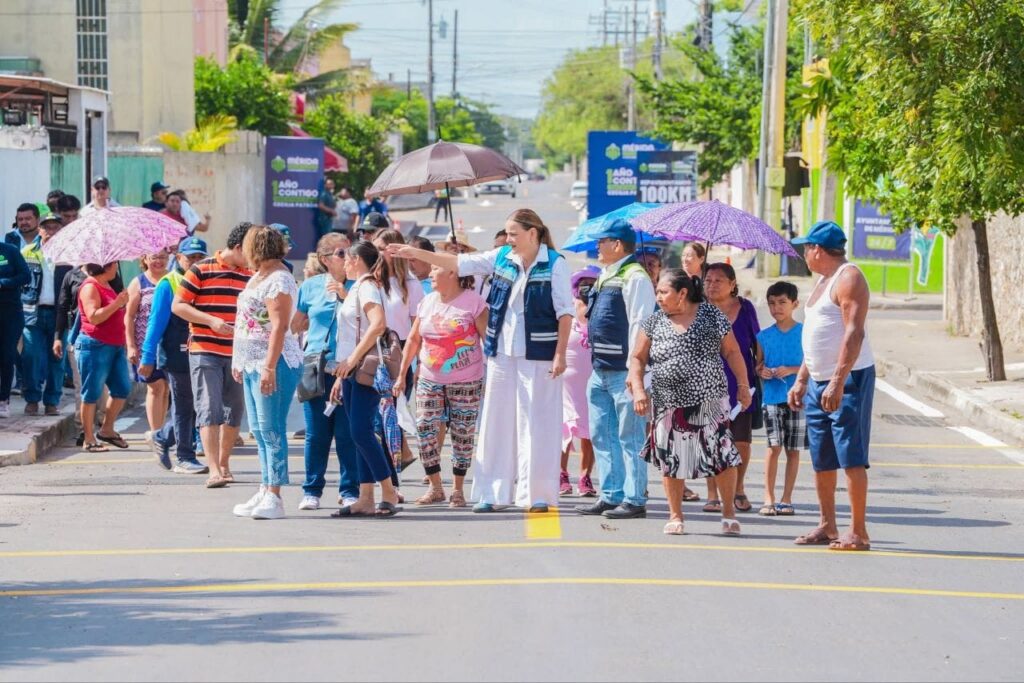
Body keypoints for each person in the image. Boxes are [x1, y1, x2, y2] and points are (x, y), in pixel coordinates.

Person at [387, 208, 574, 513]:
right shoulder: (501, 257)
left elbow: (564, 313)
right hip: (502, 352)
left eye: (513, 233)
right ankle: (493, 492)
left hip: (539, 354)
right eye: (507, 233)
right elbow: (458, 263)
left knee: (536, 423)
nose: (509, 239)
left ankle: (537, 494)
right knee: (496, 422)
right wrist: (415, 253)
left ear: (533, 233)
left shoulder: (555, 264)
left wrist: (560, 354)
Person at [628, 269, 752, 536]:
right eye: (657, 292)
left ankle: (728, 513)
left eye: (663, 292)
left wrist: (743, 385)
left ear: (682, 293)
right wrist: (638, 389)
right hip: (668, 405)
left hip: (709, 402)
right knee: (671, 459)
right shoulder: (654, 321)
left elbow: (732, 351)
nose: (658, 297)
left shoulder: (711, 315)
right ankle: (675, 515)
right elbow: (637, 358)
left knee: (721, 457)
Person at [789, 221, 875, 551]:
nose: (804, 254)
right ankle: (827, 524)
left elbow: (854, 332)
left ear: (818, 250)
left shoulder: (849, 278)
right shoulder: (822, 281)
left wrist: (838, 380)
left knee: (851, 455)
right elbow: (817, 336)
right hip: (818, 380)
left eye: (806, 248)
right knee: (822, 456)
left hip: (848, 379)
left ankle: (858, 532)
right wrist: (802, 378)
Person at [574, 220, 657, 520]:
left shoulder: (635, 277)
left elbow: (641, 326)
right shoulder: (608, 273)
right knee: (603, 435)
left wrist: (636, 375)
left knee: (630, 438)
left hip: (624, 372)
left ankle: (634, 499)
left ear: (618, 245)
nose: (597, 246)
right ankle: (611, 495)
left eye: (602, 241)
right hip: (600, 369)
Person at [393, 262, 487, 507]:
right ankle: (435, 487)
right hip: (429, 378)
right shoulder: (427, 301)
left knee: (462, 434)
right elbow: (414, 339)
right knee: (425, 428)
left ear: (453, 273)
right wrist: (402, 374)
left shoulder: (474, 302)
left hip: (466, 379)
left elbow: (487, 340)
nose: (431, 273)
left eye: (436, 269)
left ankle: (458, 489)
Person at [172, 222, 254, 488]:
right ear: (238, 247)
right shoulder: (201, 269)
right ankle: (214, 470)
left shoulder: (251, 275)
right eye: (251, 250)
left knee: (234, 410)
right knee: (209, 408)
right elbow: (178, 306)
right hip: (204, 349)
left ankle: (224, 463)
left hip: (238, 353)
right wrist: (211, 321)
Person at [230, 226, 302, 520]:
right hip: (250, 362)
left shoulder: (280, 280)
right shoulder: (258, 277)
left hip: (274, 362)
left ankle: (275, 494)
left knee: (271, 428)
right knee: (258, 430)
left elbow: (279, 326)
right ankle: (264, 486)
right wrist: (238, 359)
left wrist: (269, 366)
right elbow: (245, 322)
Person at [328, 241, 402, 518]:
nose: (343, 263)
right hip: (350, 369)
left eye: (346, 258)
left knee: (361, 431)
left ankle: (388, 490)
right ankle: (366, 497)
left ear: (356, 260)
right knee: (357, 432)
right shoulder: (357, 288)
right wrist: (344, 369)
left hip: (362, 367)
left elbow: (378, 324)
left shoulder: (367, 285)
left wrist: (352, 359)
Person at [290, 233, 360, 511]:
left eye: (350, 252)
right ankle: (312, 490)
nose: (348, 258)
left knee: (346, 433)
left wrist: (344, 296)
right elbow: (296, 324)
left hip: (348, 365)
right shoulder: (310, 286)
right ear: (325, 259)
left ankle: (349, 489)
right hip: (316, 366)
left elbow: (368, 322)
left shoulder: (360, 285)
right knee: (316, 433)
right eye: (342, 253)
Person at [139, 237, 210, 474]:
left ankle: (162, 436)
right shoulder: (168, 284)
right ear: (179, 258)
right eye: (191, 257)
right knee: (184, 404)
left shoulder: (206, 280)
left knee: (198, 404)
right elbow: (155, 323)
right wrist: (147, 357)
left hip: (201, 350)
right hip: (175, 353)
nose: (195, 262)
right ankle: (184, 456)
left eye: (200, 257)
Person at [702, 262, 760, 514]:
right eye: (708, 280)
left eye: (718, 280)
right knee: (710, 440)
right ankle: (712, 493)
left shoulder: (745, 308)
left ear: (733, 284)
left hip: (740, 382)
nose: (712, 285)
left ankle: (738, 488)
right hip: (705, 385)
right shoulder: (698, 309)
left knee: (741, 441)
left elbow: (758, 342)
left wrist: (762, 366)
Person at [373, 228, 425, 474]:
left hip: (398, 351)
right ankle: (395, 460)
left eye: (381, 248)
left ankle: (391, 471)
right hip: (372, 350)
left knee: (390, 414)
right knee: (376, 417)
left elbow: (418, 327)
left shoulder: (411, 284)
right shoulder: (370, 281)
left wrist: (420, 362)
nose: (376, 253)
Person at [756, 281, 806, 516]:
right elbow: (759, 364)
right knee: (773, 447)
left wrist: (792, 369)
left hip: (798, 399)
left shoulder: (805, 333)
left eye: (782, 302)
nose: (777, 308)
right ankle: (769, 497)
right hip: (772, 398)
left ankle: (787, 498)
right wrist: (762, 371)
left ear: (795, 304)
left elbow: (812, 364)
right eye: (772, 303)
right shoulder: (763, 336)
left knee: (793, 450)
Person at [75, 262, 132, 452]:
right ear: (105, 266)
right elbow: (94, 317)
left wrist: (122, 303)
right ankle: (89, 439)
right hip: (95, 345)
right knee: (91, 393)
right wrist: (117, 304)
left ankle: (107, 429)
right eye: (114, 264)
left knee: (122, 388)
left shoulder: (108, 284)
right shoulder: (90, 286)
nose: (116, 267)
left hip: (115, 345)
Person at [21, 213, 71, 416]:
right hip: (32, 312)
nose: (51, 232)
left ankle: (52, 401)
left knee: (57, 359)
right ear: (39, 230)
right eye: (46, 227)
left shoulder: (69, 254)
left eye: (55, 227)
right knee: (30, 356)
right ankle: (32, 398)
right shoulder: (27, 252)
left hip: (60, 314)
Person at [125, 250, 171, 446]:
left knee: (166, 388)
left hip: (169, 343)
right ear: (145, 259)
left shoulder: (173, 279)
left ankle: (159, 431)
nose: (158, 261)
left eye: (163, 257)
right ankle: (155, 433)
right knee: (155, 386)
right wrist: (131, 346)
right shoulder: (138, 282)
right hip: (145, 344)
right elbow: (129, 316)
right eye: (154, 257)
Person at [561, 266, 600, 498]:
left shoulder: (602, 309)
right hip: (565, 380)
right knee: (563, 427)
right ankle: (561, 473)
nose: (587, 287)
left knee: (589, 430)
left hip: (593, 379)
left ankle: (585, 476)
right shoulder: (567, 307)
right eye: (583, 283)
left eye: (592, 283)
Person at [0, 239, 30, 418]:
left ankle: (3, 400)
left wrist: (3, 283)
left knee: (6, 355)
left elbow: (25, 276)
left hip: (10, 313)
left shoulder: (9, 251)